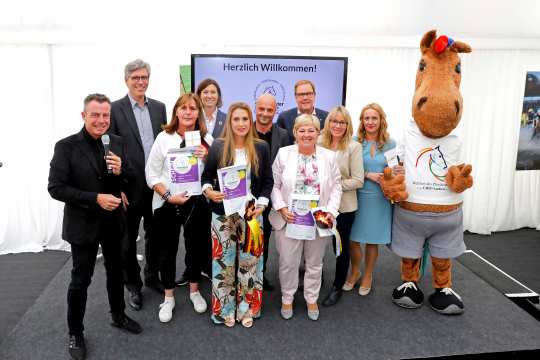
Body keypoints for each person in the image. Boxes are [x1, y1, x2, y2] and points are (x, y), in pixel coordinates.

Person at [48, 94, 142, 360]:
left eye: (105, 116)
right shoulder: (66, 147)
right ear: (83, 116)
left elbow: (131, 177)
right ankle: (75, 332)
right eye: (95, 115)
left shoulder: (117, 143)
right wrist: (95, 199)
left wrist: (122, 172)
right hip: (83, 224)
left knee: (115, 272)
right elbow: (56, 188)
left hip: (113, 223)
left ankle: (118, 315)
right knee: (81, 279)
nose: (101, 120)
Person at [201, 102, 273, 328]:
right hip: (223, 215)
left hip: (252, 215)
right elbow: (206, 176)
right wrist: (208, 191)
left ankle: (247, 309)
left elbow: (268, 181)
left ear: (249, 122)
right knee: (223, 264)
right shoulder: (219, 146)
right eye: (236, 119)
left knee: (250, 264)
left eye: (244, 119)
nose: (241, 124)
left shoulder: (261, 147)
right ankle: (224, 311)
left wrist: (262, 203)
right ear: (230, 122)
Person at [145, 93, 211, 322]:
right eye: (183, 108)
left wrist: (209, 155)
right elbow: (151, 173)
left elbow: (213, 172)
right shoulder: (164, 138)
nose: (187, 112)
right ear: (176, 112)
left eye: (192, 108)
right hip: (167, 201)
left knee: (196, 248)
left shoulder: (206, 139)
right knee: (166, 250)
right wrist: (167, 195)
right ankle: (169, 296)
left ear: (198, 113)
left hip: (196, 203)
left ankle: (194, 291)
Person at [271, 114, 342, 321]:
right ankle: (287, 297)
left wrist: (330, 210)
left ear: (318, 133)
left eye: (311, 130)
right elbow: (274, 185)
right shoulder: (284, 154)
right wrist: (281, 207)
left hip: (318, 220)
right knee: (288, 262)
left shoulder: (329, 157)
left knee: (315, 262)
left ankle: (311, 298)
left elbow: (337, 186)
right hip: (289, 219)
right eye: (302, 130)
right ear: (295, 133)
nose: (306, 134)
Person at [109, 59, 168, 309]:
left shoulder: (159, 108)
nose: (140, 82)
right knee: (127, 240)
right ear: (127, 80)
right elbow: (110, 150)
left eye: (144, 77)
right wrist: (117, 187)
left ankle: (151, 276)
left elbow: (164, 144)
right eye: (135, 78)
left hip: (155, 185)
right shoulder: (114, 109)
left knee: (156, 236)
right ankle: (133, 285)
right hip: (129, 187)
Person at [175, 78, 227, 287]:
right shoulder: (191, 118)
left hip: (215, 184)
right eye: (205, 92)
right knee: (191, 232)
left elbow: (224, 151)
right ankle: (190, 269)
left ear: (218, 96)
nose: (209, 95)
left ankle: (207, 266)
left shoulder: (225, 118)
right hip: (189, 183)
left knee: (211, 229)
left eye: (213, 92)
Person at [346, 103, 397, 296]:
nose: (370, 122)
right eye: (366, 118)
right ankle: (355, 270)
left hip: (379, 198)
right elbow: (349, 169)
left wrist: (395, 171)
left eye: (374, 118)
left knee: (373, 240)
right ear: (361, 121)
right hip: (357, 194)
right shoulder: (354, 141)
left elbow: (394, 169)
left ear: (381, 120)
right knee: (353, 239)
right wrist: (368, 174)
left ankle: (367, 275)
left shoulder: (391, 143)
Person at [318, 106, 364, 306]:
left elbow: (358, 180)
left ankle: (337, 286)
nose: (337, 126)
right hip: (318, 206)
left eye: (342, 122)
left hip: (344, 208)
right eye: (334, 121)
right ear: (328, 123)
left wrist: (333, 185)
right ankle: (314, 279)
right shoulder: (318, 142)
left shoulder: (354, 147)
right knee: (315, 247)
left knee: (340, 248)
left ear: (348, 125)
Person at [254, 93, 291, 291]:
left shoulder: (283, 135)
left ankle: (260, 273)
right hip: (247, 196)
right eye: (262, 108)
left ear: (275, 111)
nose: (265, 113)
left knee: (265, 237)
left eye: (270, 109)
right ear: (255, 108)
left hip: (272, 196)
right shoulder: (244, 129)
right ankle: (241, 274)